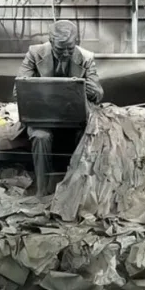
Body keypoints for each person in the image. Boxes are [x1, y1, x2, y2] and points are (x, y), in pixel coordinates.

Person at [13, 20, 103, 196]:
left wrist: (89, 88)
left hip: (75, 118)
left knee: (88, 135)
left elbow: (98, 94)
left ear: (76, 41)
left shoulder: (86, 57)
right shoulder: (34, 53)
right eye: (61, 49)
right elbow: (17, 91)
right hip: (42, 117)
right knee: (40, 136)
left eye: (70, 48)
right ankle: (42, 189)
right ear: (51, 42)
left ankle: (77, 189)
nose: (67, 53)